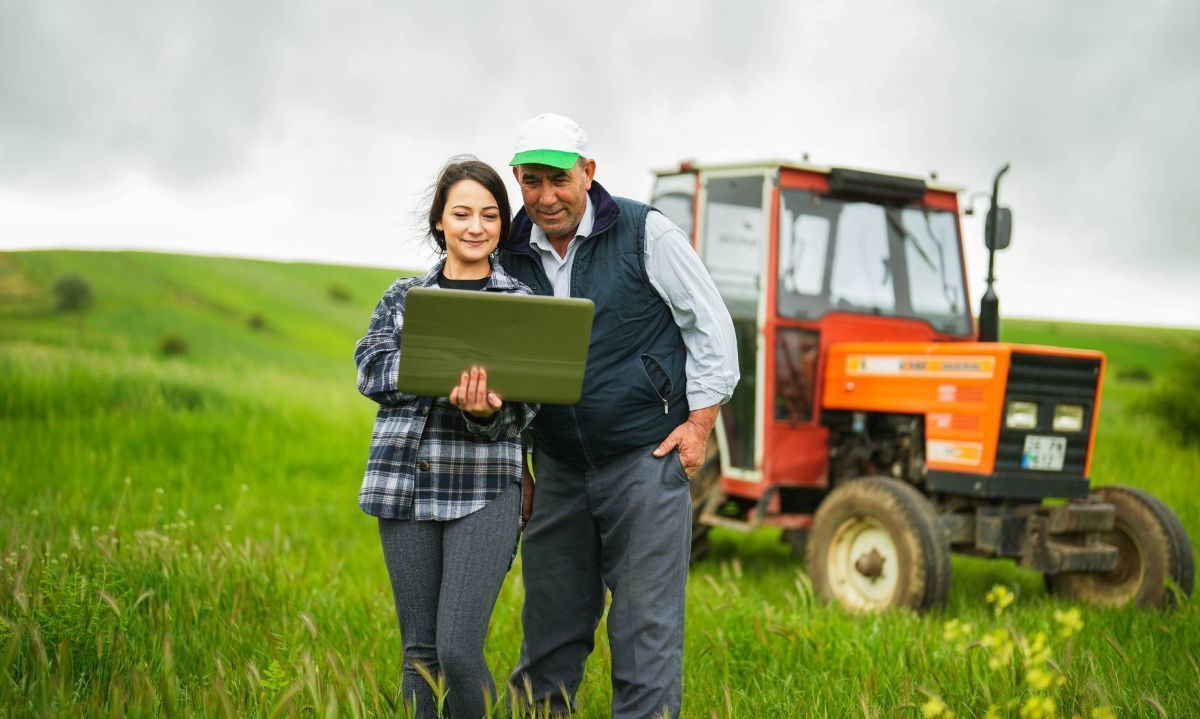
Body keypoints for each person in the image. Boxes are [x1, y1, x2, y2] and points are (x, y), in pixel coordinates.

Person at [498, 114, 739, 718]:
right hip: (556, 468)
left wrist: (699, 425)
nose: (546, 197)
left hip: (645, 460)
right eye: (531, 182)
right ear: (517, 182)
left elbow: (711, 328)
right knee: (549, 636)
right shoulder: (507, 250)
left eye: (558, 179)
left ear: (589, 172)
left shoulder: (644, 233)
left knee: (644, 638)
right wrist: (517, 461)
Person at [355, 157, 537, 719]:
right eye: (461, 213)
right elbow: (370, 368)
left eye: (489, 215)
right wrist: (439, 369)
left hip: (484, 489)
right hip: (404, 487)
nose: (475, 226)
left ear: (502, 225)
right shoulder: (402, 296)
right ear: (440, 222)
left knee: (457, 651)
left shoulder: (521, 306)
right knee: (419, 657)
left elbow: (525, 408)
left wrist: (482, 412)